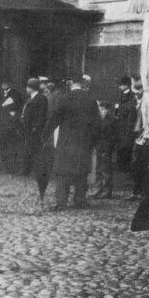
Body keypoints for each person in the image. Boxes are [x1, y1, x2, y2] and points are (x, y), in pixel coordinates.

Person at [44, 74, 100, 210]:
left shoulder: (64, 99)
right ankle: (79, 200)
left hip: (66, 142)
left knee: (62, 172)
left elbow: (54, 119)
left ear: (70, 84)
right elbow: (97, 125)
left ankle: (61, 202)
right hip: (84, 143)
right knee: (81, 172)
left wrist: (44, 136)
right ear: (83, 83)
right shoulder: (91, 100)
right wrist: (94, 142)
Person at [20, 78, 48, 178]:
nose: (26, 89)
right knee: (28, 149)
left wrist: (36, 127)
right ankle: (26, 170)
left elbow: (42, 115)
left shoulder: (41, 98)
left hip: (35, 129)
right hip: (28, 128)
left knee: (35, 150)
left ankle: (36, 171)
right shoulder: (30, 99)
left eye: (28, 87)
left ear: (32, 88)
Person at [92, 101, 118, 199]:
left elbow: (115, 135)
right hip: (99, 146)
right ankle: (98, 189)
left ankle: (107, 191)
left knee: (106, 170)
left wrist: (109, 145)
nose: (102, 111)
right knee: (98, 168)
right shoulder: (97, 119)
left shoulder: (112, 120)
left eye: (103, 109)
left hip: (107, 147)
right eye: (100, 108)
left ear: (107, 109)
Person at [113, 76, 137, 174]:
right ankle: (121, 170)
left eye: (121, 84)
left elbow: (131, 114)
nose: (119, 86)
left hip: (127, 129)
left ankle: (126, 171)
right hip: (119, 128)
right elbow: (116, 110)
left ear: (126, 85)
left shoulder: (132, 96)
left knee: (127, 150)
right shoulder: (119, 95)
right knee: (120, 150)